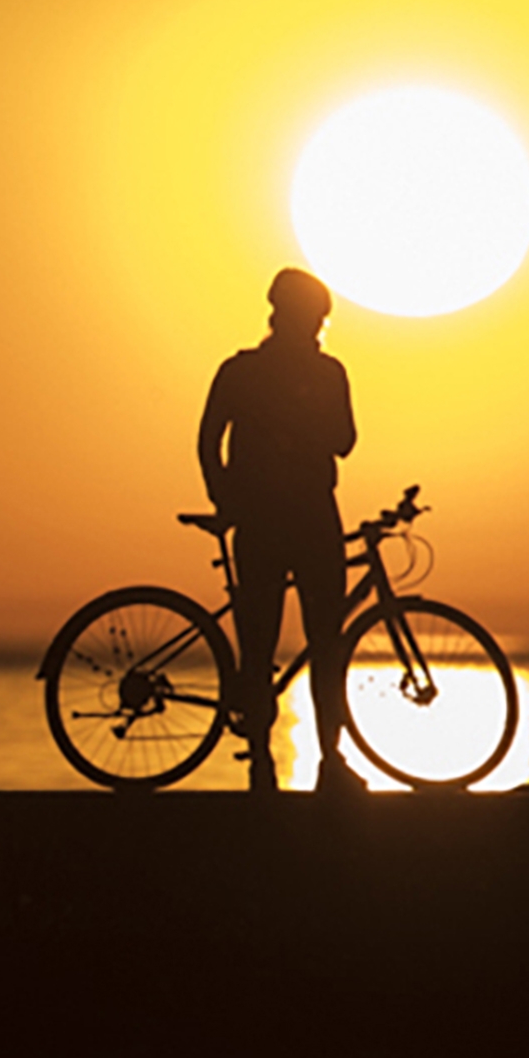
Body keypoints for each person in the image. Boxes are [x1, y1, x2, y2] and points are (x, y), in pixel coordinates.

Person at [198, 267, 361, 793]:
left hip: (303, 517)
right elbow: (208, 440)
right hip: (276, 519)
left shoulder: (324, 373)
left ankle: (325, 761)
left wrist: (229, 496)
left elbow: (343, 440)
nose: (314, 329)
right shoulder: (243, 372)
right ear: (286, 317)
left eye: (319, 321)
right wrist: (226, 500)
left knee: (321, 642)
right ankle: (264, 762)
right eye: (310, 319)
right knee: (273, 640)